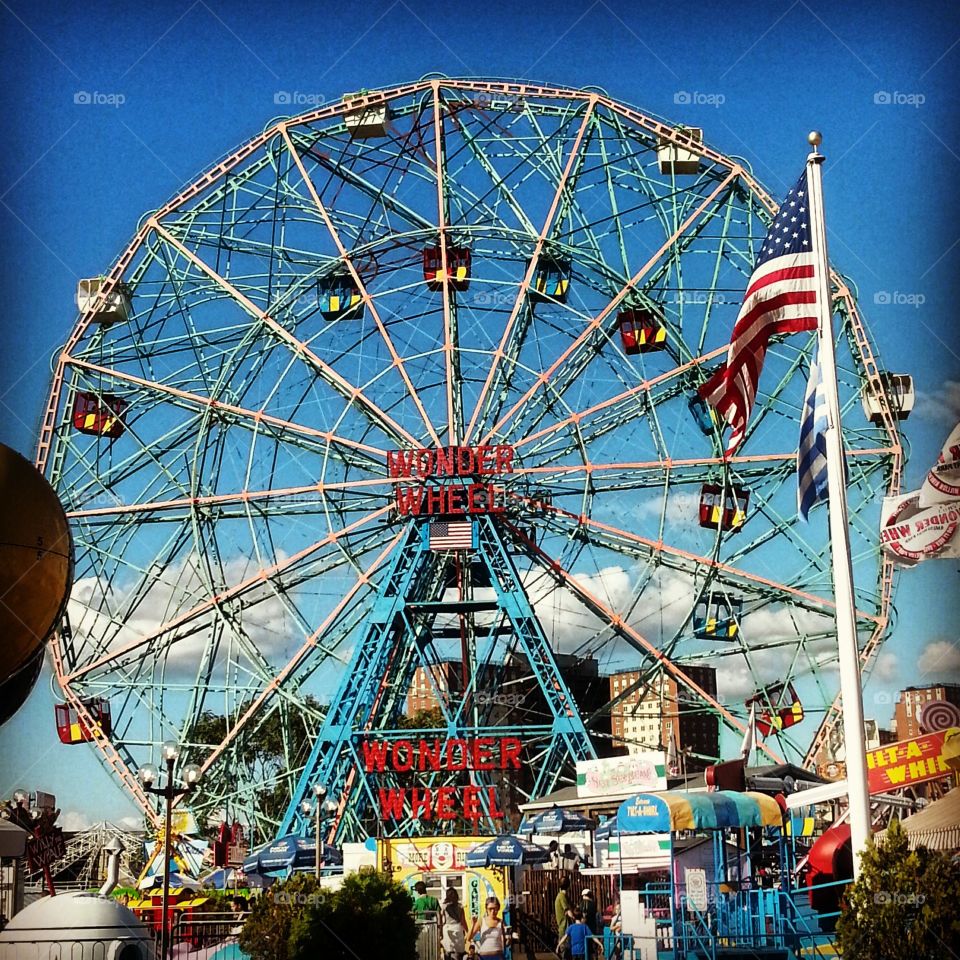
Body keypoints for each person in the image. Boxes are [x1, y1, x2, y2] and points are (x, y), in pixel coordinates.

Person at [440, 886, 467, 959]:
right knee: (459, 952)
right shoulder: (460, 906)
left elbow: (441, 920)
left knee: (448, 951)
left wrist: (440, 933)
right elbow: (463, 921)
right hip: (458, 928)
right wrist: (467, 931)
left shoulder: (444, 906)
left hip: (447, 928)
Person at [555, 876, 575, 959]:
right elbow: (568, 911)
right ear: (569, 885)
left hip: (564, 927)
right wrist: (576, 918)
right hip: (565, 928)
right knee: (566, 953)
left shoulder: (562, 896)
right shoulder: (562, 896)